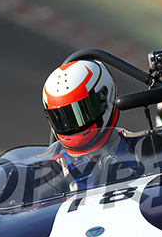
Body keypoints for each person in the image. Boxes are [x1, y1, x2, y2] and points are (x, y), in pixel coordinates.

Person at [41, 59, 140, 191]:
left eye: (82, 113)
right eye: (65, 118)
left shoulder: (140, 148)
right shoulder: (55, 168)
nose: (75, 127)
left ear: (105, 99)